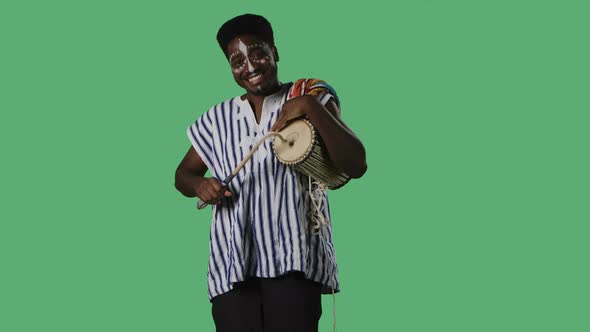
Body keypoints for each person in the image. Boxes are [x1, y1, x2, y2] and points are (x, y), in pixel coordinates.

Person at [174, 14, 367, 332]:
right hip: (233, 267)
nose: (249, 65)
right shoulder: (217, 117)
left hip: (294, 263)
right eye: (237, 60)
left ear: (275, 52)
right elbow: (182, 174)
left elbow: (356, 164)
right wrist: (198, 184)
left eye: (258, 52)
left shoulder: (309, 94)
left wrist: (310, 106)